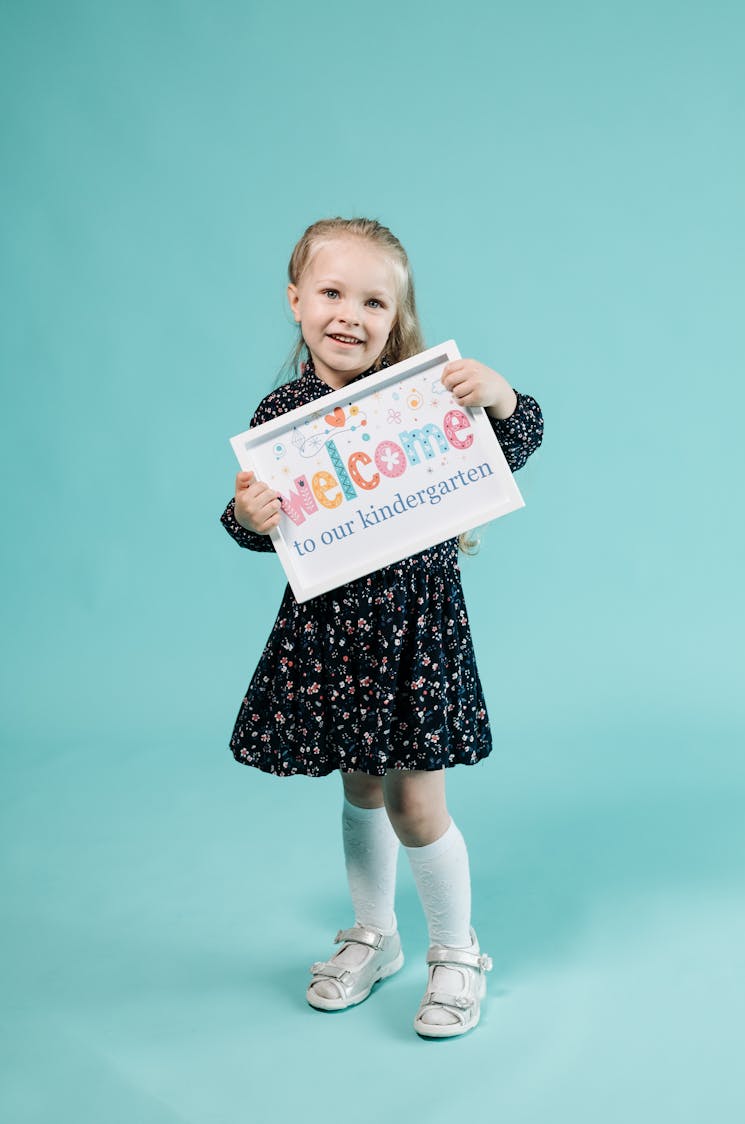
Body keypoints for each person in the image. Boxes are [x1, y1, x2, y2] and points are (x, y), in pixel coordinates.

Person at [220, 217, 543, 1038]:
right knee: (360, 785)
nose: (349, 315)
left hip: (417, 635)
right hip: (335, 635)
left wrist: (500, 394)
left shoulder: (423, 395)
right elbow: (257, 526)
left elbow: (520, 436)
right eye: (331, 293)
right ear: (296, 301)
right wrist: (247, 513)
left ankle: (456, 950)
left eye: (372, 301)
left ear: (395, 318)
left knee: (417, 801)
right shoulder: (283, 411)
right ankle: (377, 935)